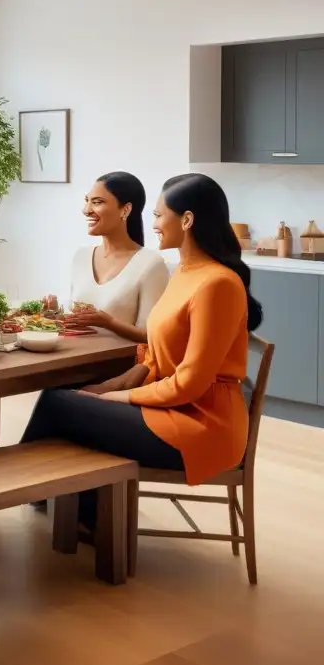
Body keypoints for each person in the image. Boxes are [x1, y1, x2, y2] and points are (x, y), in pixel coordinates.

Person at [19, 173, 262, 537]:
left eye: (160, 215)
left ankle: (36, 494)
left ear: (187, 220)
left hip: (202, 429)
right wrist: (108, 386)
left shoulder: (218, 284)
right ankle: (81, 516)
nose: (154, 224)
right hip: (171, 412)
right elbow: (153, 355)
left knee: (58, 404)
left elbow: (189, 384)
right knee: (72, 396)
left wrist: (117, 397)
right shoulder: (183, 272)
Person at [66, 172, 169, 343]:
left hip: (117, 365)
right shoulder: (81, 256)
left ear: (126, 209)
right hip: (71, 356)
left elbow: (151, 336)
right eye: (87, 201)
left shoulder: (151, 264)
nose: (87, 210)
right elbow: (74, 319)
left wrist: (109, 323)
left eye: (97, 202)